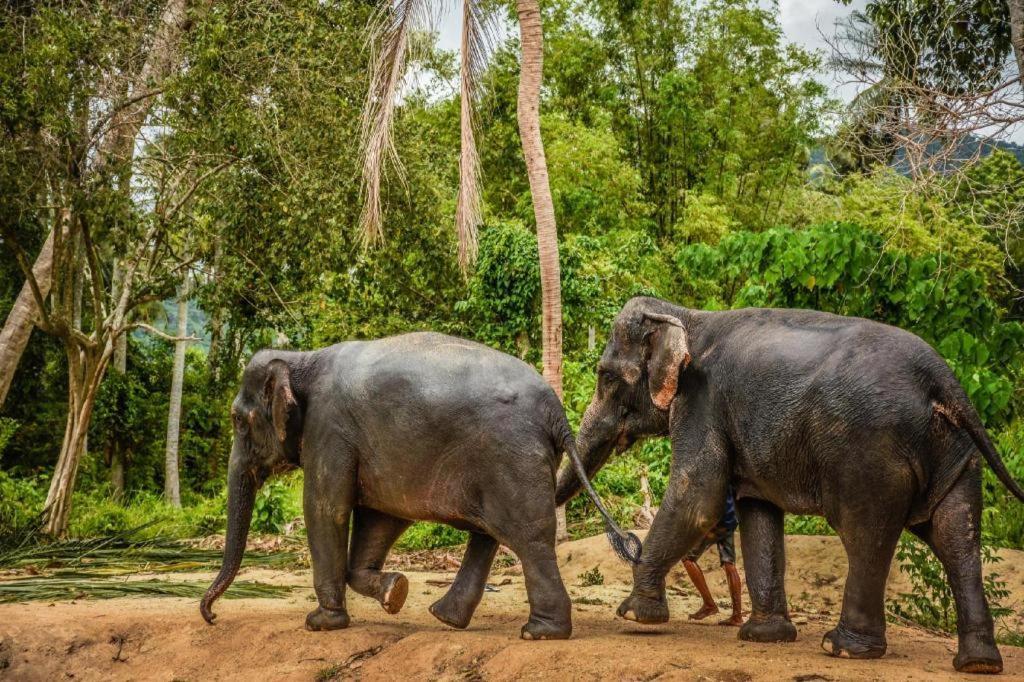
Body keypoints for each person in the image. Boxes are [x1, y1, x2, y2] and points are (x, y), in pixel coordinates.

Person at [681, 490, 743, 626]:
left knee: (687, 557)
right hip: (730, 519)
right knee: (729, 562)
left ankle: (709, 604)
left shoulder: (708, 470)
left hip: (715, 521)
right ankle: (737, 616)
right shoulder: (729, 471)